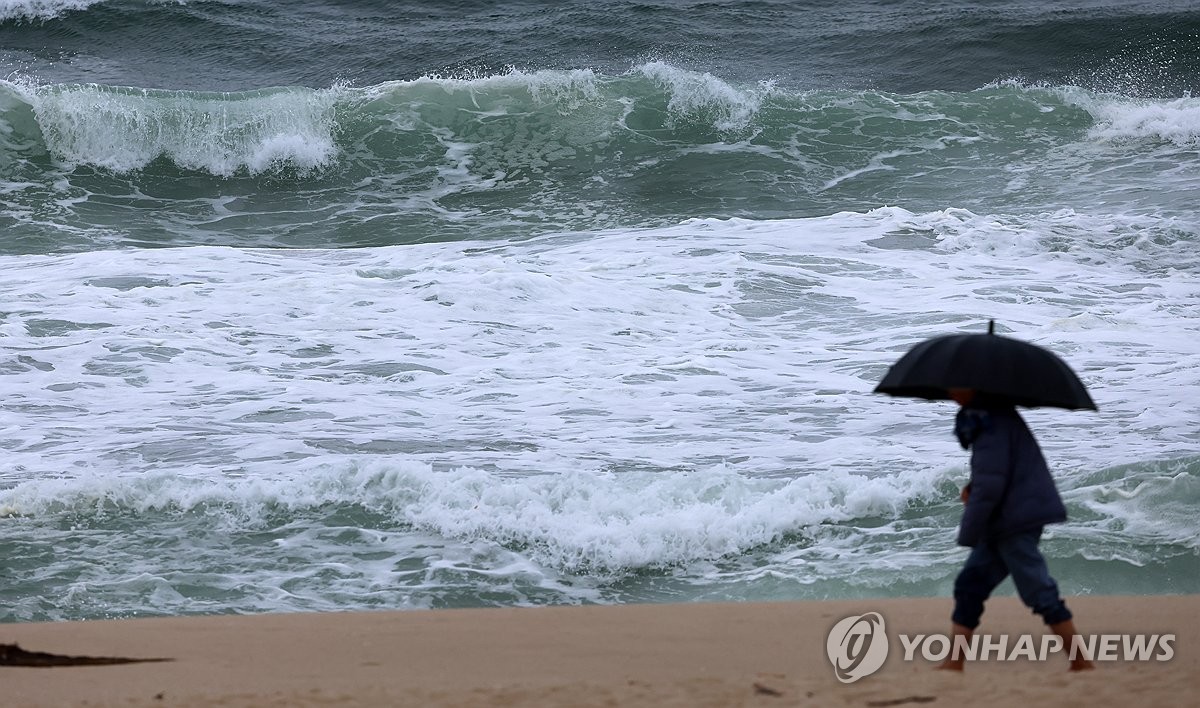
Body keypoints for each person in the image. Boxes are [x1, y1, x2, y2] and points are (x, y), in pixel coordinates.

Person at [939, 387, 1093, 672]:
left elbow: (991, 485)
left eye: (955, 385)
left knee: (1038, 590)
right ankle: (954, 662)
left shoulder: (990, 422)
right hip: (1005, 518)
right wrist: (974, 489)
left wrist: (969, 530)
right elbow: (999, 474)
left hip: (1015, 521)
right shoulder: (988, 417)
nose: (950, 390)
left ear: (972, 386)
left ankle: (1081, 662)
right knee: (970, 585)